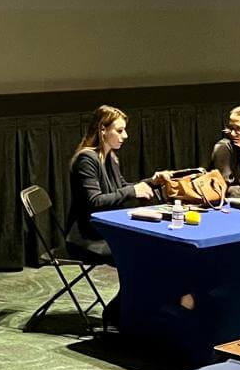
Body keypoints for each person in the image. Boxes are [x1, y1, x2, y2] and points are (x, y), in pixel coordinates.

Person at [65, 105, 172, 261]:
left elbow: (121, 187)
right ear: (103, 130)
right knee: (146, 247)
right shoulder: (86, 160)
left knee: (153, 241)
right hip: (87, 237)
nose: (125, 135)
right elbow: (95, 201)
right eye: (120, 131)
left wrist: (152, 182)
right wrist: (133, 191)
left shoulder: (110, 157)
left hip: (103, 228)